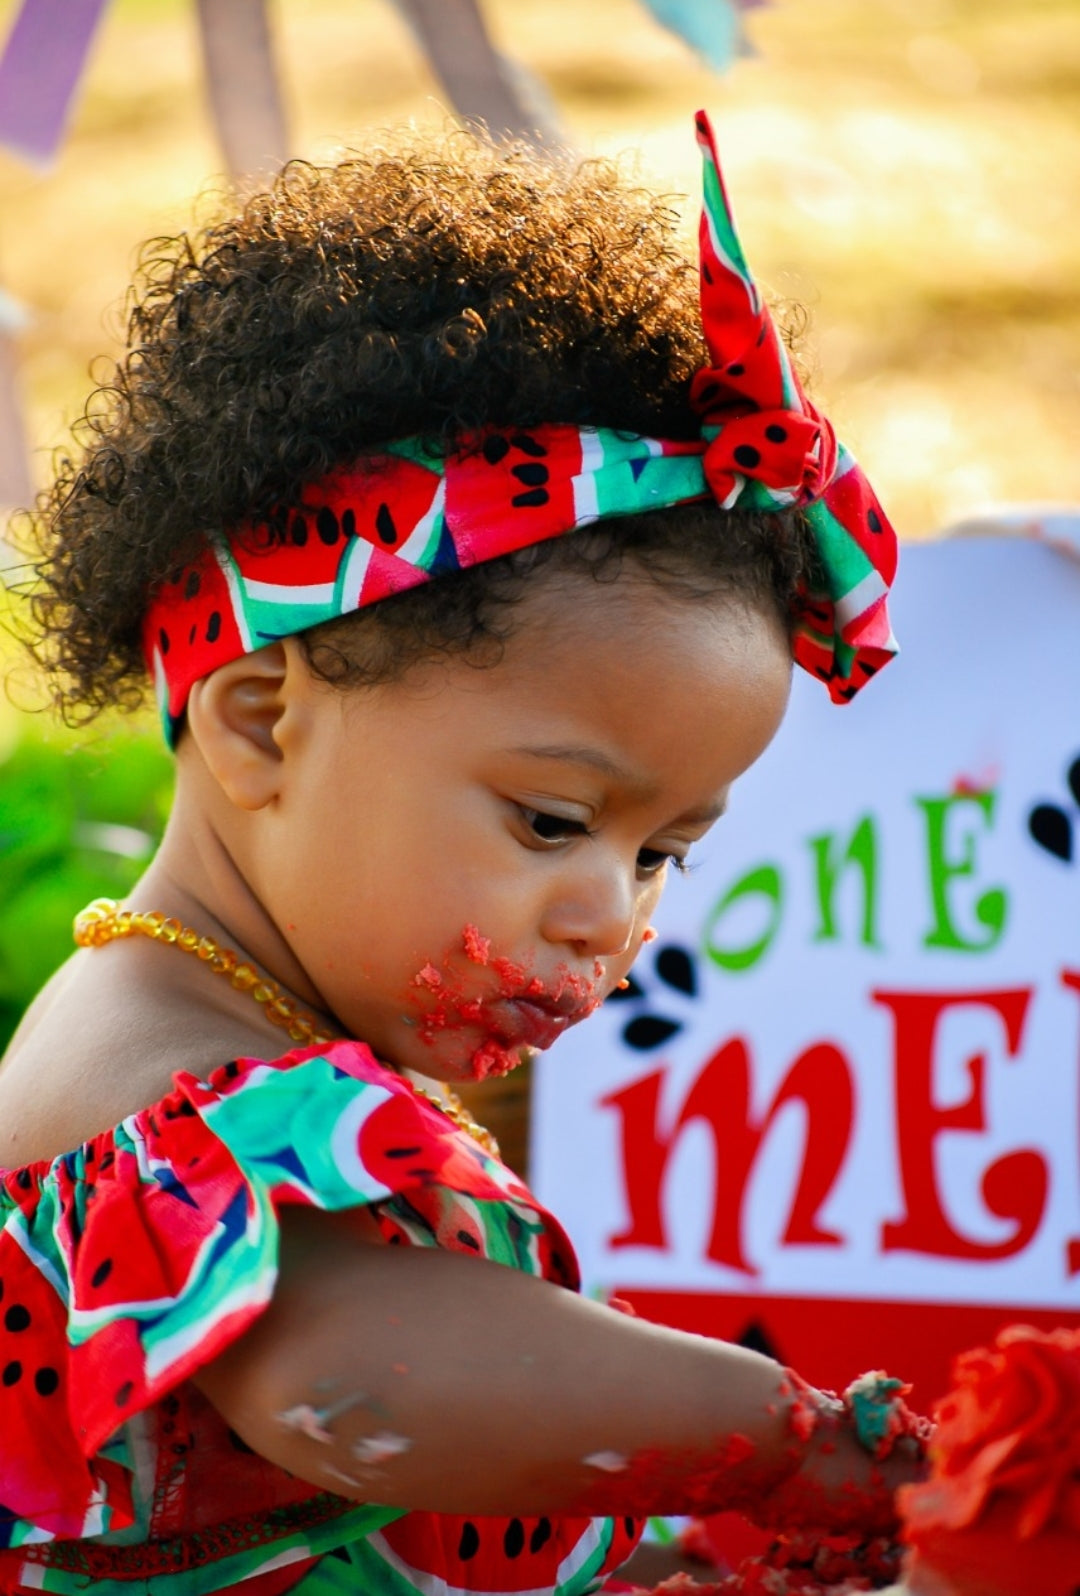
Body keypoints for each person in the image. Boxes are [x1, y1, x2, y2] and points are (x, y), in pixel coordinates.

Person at [0, 110, 914, 1596]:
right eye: (554, 822)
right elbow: (374, 1382)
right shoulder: (146, 1065)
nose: (601, 912)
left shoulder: (311, 1047)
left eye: (662, 850)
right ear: (259, 729)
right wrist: (810, 1442)